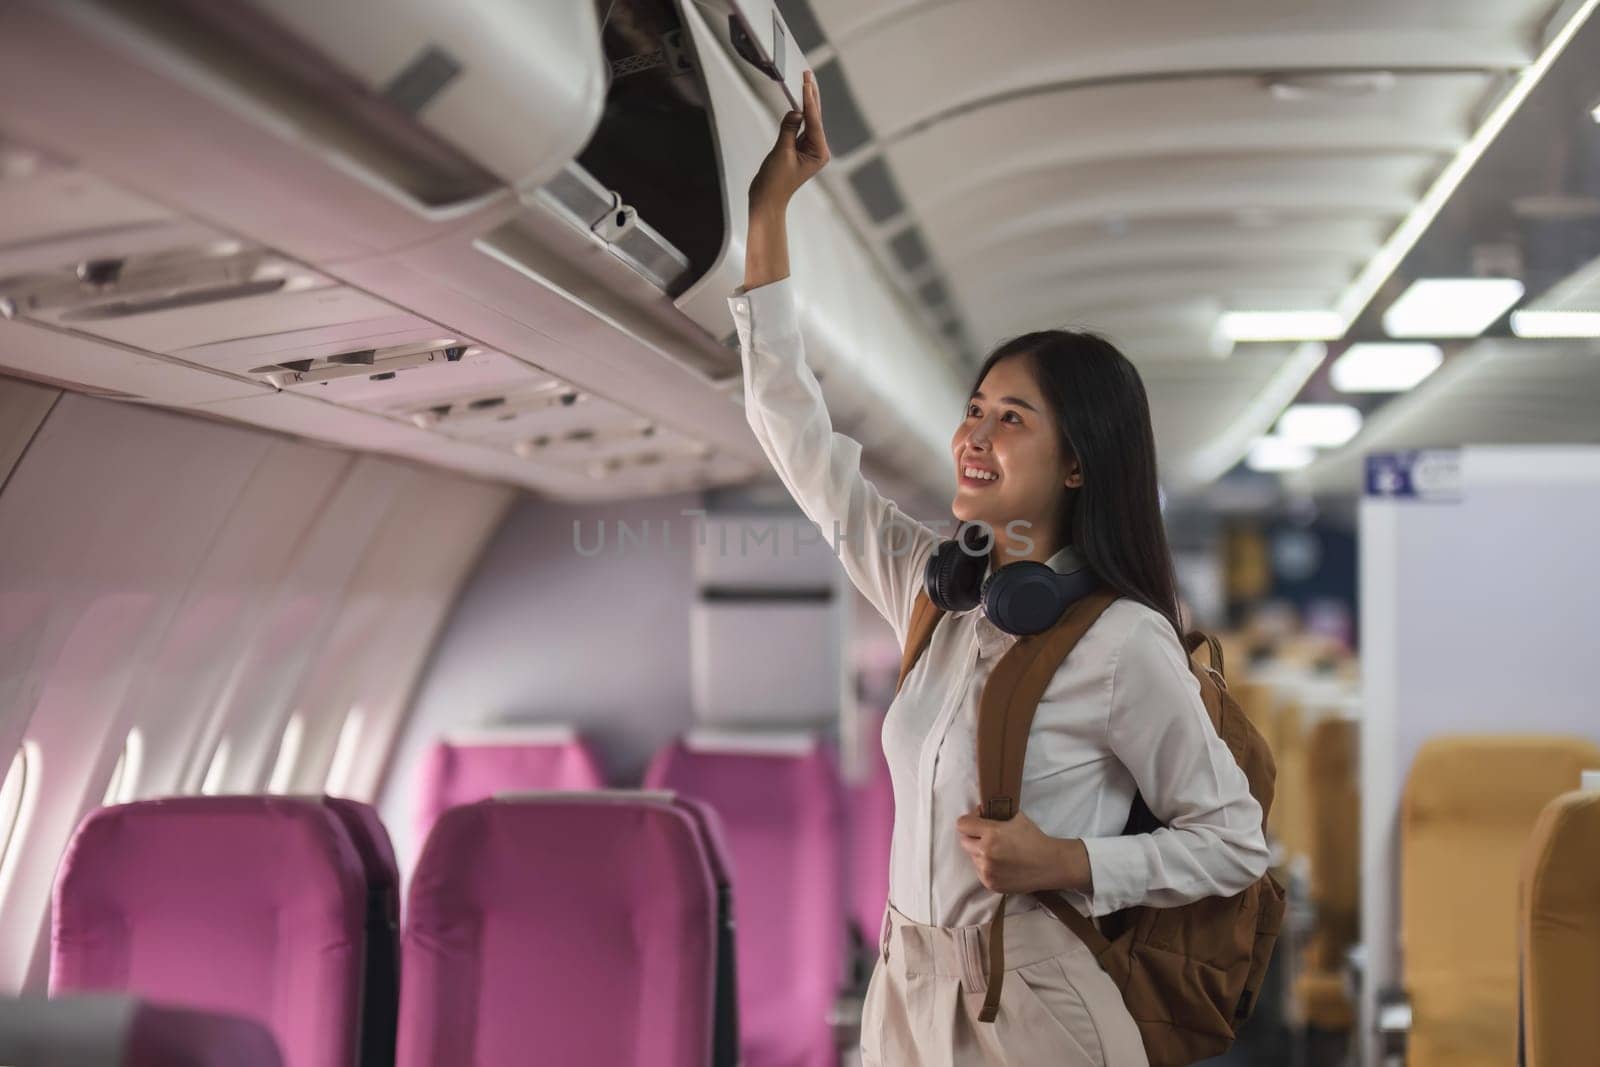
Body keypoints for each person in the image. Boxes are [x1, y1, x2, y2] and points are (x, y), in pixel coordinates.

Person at [729, 68, 1270, 1067]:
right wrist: (770, 208)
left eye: (1009, 417)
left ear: (1075, 461)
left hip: (1031, 1003)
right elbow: (793, 428)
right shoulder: (932, 592)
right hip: (905, 986)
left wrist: (1072, 859)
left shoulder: (1120, 639)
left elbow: (1235, 840)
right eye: (973, 408)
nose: (973, 433)